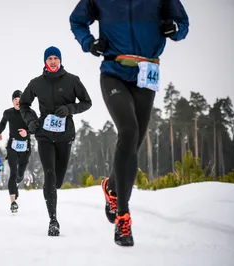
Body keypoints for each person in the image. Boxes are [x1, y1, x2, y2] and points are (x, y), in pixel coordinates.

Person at [69, 0, 189, 246]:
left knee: (133, 143)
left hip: (147, 75)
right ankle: (123, 218)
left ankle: (112, 188)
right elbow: (77, 20)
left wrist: (175, 29)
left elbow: (183, 25)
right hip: (114, 71)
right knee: (129, 130)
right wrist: (89, 43)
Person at [19, 46, 92, 236]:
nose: (52, 61)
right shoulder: (36, 83)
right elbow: (24, 104)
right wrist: (31, 121)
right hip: (44, 135)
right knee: (49, 174)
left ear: (60, 60)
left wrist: (70, 109)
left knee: (58, 180)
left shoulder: (72, 81)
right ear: (45, 61)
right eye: (49, 58)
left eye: (55, 58)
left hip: (64, 135)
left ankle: (51, 189)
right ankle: (53, 220)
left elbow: (87, 102)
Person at [0, 90, 36, 213]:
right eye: (15, 99)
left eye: (19, 99)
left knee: (19, 175)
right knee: (13, 173)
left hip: (25, 148)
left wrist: (27, 132)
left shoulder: (30, 112)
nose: (17, 101)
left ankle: (17, 184)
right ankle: (13, 202)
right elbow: (3, 122)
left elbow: (36, 126)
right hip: (12, 146)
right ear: (12, 101)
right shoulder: (8, 113)